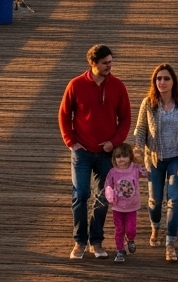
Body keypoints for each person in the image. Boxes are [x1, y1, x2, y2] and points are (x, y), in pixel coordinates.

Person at [59, 44, 132, 260]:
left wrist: (115, 142)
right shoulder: (76, 85)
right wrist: (72, 142)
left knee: (104, 197)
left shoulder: (118, 86)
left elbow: (126, 118)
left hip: (106, 153)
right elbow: (64, 115)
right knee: (81, 194)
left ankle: (96, 241)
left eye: (111, 62)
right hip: (81, 151)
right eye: (105, 63)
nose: (110, 66)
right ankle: (79, 242)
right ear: (93, 63)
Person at [132, 63, 178, 262]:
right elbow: (140, 130)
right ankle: (155, 227)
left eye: (166, 78)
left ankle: (170, 243)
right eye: (158, 78)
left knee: (174, 199)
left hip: (177, 159)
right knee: (155, 201)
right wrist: (138, 153)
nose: (162, 82)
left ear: (173, 81)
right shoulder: (148, 103)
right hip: (154, 159)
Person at [104, 142, 148, 263]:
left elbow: (146, 173)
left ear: (130, 157)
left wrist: (145, 162)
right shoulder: (113, 172)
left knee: (130, 229)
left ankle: (131, 239)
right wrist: (109, 193)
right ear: (114, 158)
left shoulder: (134, 168)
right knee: (119, 229)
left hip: (132, 206)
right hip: (117, 206)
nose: (121, 159)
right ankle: (120, 250)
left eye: (124, 156)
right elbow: (108, 184)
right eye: (118, 157)